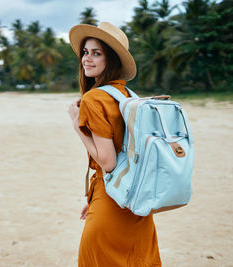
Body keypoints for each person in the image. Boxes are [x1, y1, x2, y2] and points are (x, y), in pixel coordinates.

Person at [67, 22, 162, 266]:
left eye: (96, 53)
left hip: (112, 199)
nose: (87, 59)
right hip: (137, 202)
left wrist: (78, 126)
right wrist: (93, 199)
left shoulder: (94, 98)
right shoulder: (129, 96)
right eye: (85, 52)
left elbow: (108, 162)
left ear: (112, 60)